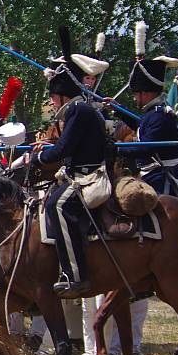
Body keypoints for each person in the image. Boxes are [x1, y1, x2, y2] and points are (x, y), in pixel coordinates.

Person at [32, 27, 110, 298]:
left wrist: (39, 157)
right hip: (79, 172)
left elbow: (65, 149)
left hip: (88, 176)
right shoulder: (79, 109)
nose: (51, 102)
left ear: (64, 93)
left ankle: (75, 275)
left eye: (53, 96)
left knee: (58, 205)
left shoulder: (78, 110)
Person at [111, 57, 178, 195]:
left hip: (161, 177)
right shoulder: (154, 113)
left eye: (136, 94)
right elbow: (141, 126)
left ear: (146, 93)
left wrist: (116, 149)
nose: (134, 98)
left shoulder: (158, 115)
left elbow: (145, 148)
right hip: (153, 174)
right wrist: (118, 109)